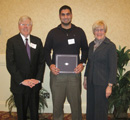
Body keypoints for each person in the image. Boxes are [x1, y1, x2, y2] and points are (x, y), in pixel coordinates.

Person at [44, 5, 88, 120]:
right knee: (57, 104)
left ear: (71, 15)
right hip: (57, 74)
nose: (65, 17)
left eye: (68, 14)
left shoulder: (79, 31)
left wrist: (82, 63)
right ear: (59, 16)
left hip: (74, 74)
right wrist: (51, 65)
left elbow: (85, 49)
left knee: (76, 104)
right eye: (63, 14)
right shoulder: (53, 33)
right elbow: (45, 51)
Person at [6, 15, 45, 120]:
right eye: (23, 24)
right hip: (19, 85)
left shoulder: (37, 41)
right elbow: (10, 64)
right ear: (19, 26)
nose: (25, 27)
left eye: (28, 24)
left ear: (31, 26)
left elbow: (41, 62)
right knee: (21, 114)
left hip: (34, 84)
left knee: (34, 113)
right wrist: (22, 80)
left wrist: (37, 79)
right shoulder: (12, 42)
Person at [83, 20, 117, 120]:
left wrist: (110, 86)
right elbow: (89, 62)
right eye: (96, 30)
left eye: (101, 30)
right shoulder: (91, 45)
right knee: (91, 108)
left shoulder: (110, 46)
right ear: (94, 32)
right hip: (91, 82)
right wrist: (85, 78)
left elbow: (113, 67)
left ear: (105, 31)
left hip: (102, 83)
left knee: (101, 110)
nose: (99, 32)